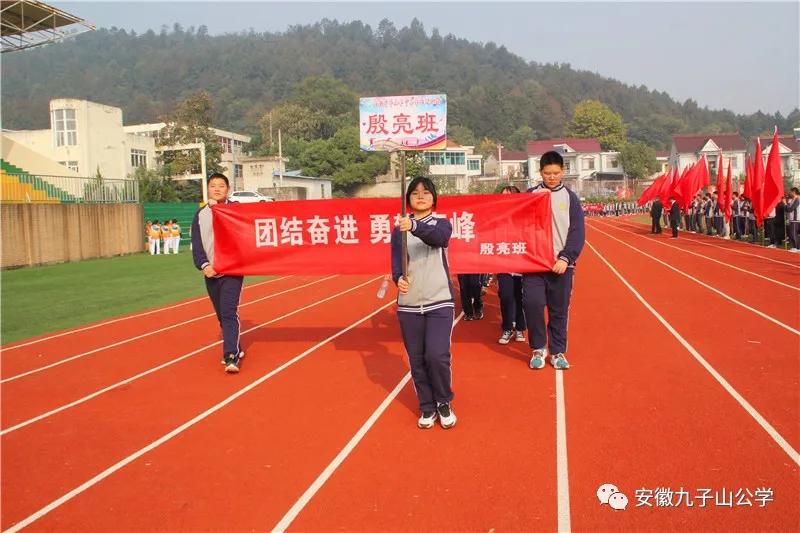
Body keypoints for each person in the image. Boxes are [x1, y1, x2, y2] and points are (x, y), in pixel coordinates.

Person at [392, 176, 457, 429]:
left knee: (437, 355)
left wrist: (414, 227)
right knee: (417, 359)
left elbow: (439, 239)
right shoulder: (399, 230)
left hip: (439, 301)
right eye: (415, 192)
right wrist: (398, 279)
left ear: (434, 198)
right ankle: (427, 406)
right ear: (407, 199)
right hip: (408, 304)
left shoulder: (441, 224)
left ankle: (443, 400)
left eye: (426, 192)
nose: (420, 196)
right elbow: (397, 263)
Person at [524, 151, 585, 370]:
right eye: (547, 173)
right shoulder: (530, 195)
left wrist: (566, 257)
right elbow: (518, 227)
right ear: (540, 172)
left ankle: (558, 351)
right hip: (534, 265)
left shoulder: (570, 198)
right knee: (533, 304)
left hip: (561, 266)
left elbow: (577, 232)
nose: (551, 177)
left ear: (563, 172)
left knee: (559, 310)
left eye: (556, 173)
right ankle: (538, 347)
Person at [192, 173, 245, 373]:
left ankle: (230, 356)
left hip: (232, 271)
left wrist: (220, 210)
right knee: (221, 316)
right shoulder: (200, 215)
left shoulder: (235, 210)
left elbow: (241, 234)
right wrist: (204, 265)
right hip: (211, 272)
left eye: (221, 185)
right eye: (213, 185)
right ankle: (236, 347)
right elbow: (197, 245)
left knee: (229, 312)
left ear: (228, 189)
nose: (216, 189)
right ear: (208, 189)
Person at [496, 185, 526, 345]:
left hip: (522, 265)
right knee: (506, 297)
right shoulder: (497, 218)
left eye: (509, 196)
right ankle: (507, 328)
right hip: (504, 264)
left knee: (520, 298)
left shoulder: (524, 216)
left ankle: (520, 327)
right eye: (503, 196)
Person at [787, 188, 799, 252]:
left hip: (796, 219)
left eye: (791, 192)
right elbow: (787, 209)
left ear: (794, 192)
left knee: (794, 233)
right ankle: (794, 247)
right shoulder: (792, 200)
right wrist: (787, 204)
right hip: (791, 219)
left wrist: (786, 204)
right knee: (791, 234)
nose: (790, 193)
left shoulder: (798, 199)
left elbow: (790, 209)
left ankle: (797, 247)